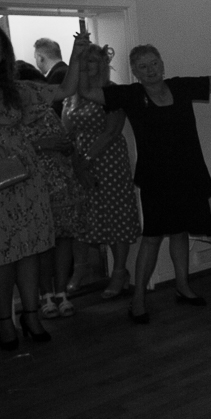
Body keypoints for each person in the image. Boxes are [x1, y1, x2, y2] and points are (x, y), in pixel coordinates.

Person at [80, 43, 211, 323]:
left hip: (188, 174)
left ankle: (183, 287)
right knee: (152, 238)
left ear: (162, 64)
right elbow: (86, 91)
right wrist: (79, 56)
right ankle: (138, 300)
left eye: (154, 63)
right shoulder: (130, 94)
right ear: (135, 72)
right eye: (143, 66)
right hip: (155, 179)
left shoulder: (179, 87)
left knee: (180, 233)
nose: (150, 70)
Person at [1, 29, 81, 350]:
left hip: (28, 179)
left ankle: (31, 315)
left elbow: (66, 89)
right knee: (4, 256)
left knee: (30, 250)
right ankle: (5, 322)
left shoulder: (20, 90)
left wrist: (78, 50)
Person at [63, 43, 141, 299]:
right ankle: (80, 269)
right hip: (79, 161)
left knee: (115, 217)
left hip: (109, 162)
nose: (87, 66)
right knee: (81, 217)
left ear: (103, 65)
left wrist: (86, 160)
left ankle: (119, 272)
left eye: (92, 61)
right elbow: (67, 133)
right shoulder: (72, 95)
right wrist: (77, 164)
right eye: (83, 62)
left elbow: (111, 132)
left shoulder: (112, 92)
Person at [14, 62, 86, 319]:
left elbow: (64, 141)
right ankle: (45, 296)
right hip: (34, 186)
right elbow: (13, 152)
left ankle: (61, 293)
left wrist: (65, 146)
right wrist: (43, 145)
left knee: (64, 240)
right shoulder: (13, 117)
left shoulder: (48, 113)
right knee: (42, 244)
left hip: (63, 183)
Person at [34, 38, 69, 116]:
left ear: (40, 58)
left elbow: (55, 110)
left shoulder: (57, 76)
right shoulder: (69, 71)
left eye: (35, 58)